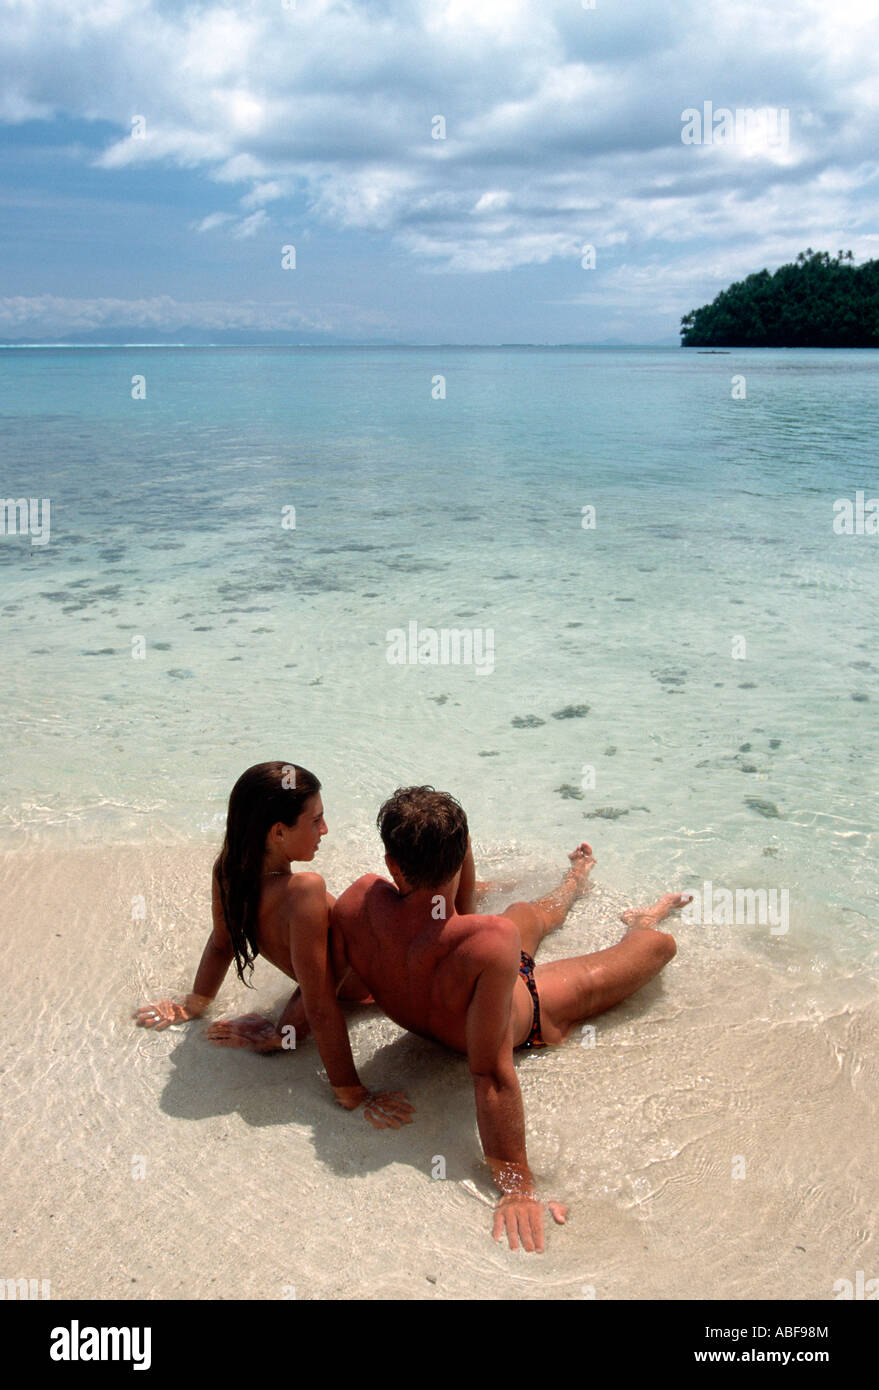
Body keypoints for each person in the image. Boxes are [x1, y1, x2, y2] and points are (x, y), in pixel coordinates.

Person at [329, 785, 692, 1252]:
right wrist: (516, 1183)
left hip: (472, 973)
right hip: (530, 1007)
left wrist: (285, 1031)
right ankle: (641, 921)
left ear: (392, 863)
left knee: (527, 913)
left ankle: (576, 878)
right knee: (658, 947)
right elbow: (491, 1073)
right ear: (460, 859)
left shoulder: (357, 902)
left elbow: (321, 988)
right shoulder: (486, 941)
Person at [133, 761, 413, 1129]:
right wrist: (351, 1091)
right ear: (278, 832)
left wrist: (194, 1006)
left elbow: (222, 945)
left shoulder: (229, 873)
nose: (325, 830)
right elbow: (320, 1003)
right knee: (370, 889)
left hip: (351, 983)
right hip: (389, 981)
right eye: (316, 820)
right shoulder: (304, 891)